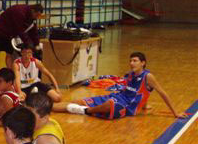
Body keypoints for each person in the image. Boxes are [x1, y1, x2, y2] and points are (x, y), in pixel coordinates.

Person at [54, 52, 187, 120]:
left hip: (126, 106)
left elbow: (162, 93)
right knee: (77, 101)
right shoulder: (129, 75)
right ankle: (45, 108)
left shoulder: (148, 77)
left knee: (110, 104)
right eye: (130, 60)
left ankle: (86, 111)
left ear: (143, 63)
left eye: (135, 61)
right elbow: (139, 92)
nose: (131, 63)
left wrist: (175, 113)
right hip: (117, 97)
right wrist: (145, 105)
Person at [0, 3, 44, 82]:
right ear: (33, 11)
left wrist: (37, 44)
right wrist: (28, 44)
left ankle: (10, 74)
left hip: (10, 35)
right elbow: (19, 30)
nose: (37, 18)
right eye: (37, 15)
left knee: (9, 54)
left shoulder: (31, 17)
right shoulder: (19, 12)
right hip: (0, 31)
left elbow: (33, 30)